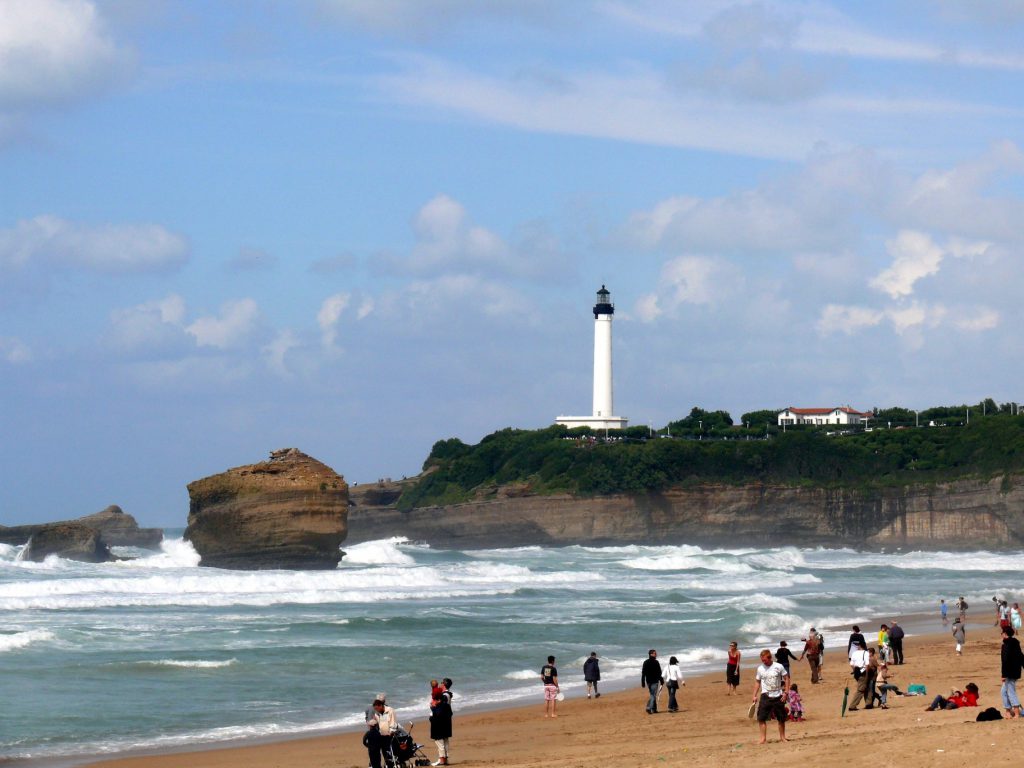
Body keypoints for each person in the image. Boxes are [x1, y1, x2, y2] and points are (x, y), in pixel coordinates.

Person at [751, 649, 789, 744]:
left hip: (778, 695)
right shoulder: (760, 668)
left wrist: (786, 692)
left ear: (770, 657)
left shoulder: (778, 666)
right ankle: (763, 739)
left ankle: (782, 737)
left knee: (781, 718)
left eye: (765, 660)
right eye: (762, 660)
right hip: (765, 696)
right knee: (761, 718)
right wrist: (754, 695)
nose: (764, 662)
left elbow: (787, 678)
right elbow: (757, 682)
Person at [365, 694, 396, 768]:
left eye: (377, 709)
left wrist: (391, 732)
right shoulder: (376, 712)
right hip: (379, 736)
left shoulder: (390, 710)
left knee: (387, 754)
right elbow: (373, 721)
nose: (376, 710)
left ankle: (389, 765)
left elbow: (393, 723)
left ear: (382, 704)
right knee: (376, 754)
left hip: (388, 736)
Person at [1000, 626, 1024, 719]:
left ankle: (1016, 713)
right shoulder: (1014, 643)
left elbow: (1005, 660)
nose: (1001, 634)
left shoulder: (1007, 645)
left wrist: (1004, 675)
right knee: (1003, 692)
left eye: (1002, 633)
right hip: (1015, 671)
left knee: (1010, 692)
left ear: (1005, 634)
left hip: (1010, 672)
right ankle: (1008, 712)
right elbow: (1021, 656)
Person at [429, 678, 453, 766]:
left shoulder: (445, 695)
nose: (441, 684)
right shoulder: (445, 694)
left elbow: (440, 706)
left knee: (440, 740)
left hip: (442, 720)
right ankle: (444, 758)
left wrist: (434, 706)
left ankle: (442, 759)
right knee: (444, 740)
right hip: (445, 719)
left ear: (444, 684)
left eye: (442, 683)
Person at [848, 646, 877, 711]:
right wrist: (866, 675)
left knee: (867, 688)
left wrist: (855, 671)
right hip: (863, 673)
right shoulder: (865, 653)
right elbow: (867, 665)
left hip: (857, 673)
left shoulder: (854, 653)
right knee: (861, 690)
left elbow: (851, 664)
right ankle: (852, 706)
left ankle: (868, 704)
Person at [641, 649, 664, 714]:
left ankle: (654, 709)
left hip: (648, 681)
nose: (656, 654)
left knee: (652, 695)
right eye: (654, 653)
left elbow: (643, 673)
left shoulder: (645, 662)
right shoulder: (656, 662)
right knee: (653, 695)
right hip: (654, 681)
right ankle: (649, 707)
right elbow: (659, 673)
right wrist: (661, 680)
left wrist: (643, 682)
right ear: (651, 654)